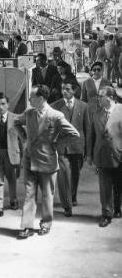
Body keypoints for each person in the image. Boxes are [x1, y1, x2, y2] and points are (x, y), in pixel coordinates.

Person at [15, 85, 79, 239]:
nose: (29, 99)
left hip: (47, 160)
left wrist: (56, 144)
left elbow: (74, 134)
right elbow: (16, 122)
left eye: (32, 97)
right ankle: (27, 226)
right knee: (29, 194)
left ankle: (46, 223)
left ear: (41, 98)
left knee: (47, 195)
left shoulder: (56, 116)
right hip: (30, 159)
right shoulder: (29, 113)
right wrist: (24, 139)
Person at [51, 81, 89, 214]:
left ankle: (72, 196)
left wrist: (87, 150)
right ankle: (67, 201)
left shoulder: (84, 107)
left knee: (75, 174)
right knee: (63, 175)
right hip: (62, 148)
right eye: (62, 89)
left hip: (78, 147)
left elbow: (87, 129)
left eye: (67, 89)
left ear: (74, 91)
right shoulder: (55, 106)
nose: (64, 91)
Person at [87, 86, 122, 226]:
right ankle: (106, 214)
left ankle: (117, 207)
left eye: (101, 96)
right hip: (102, 154)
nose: (98, 98)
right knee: (105, 186)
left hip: (119, 154)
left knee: (119, 184)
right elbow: (91, 135)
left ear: (110, 98)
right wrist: (89, 155)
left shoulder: (120, 111)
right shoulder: (96, 113)